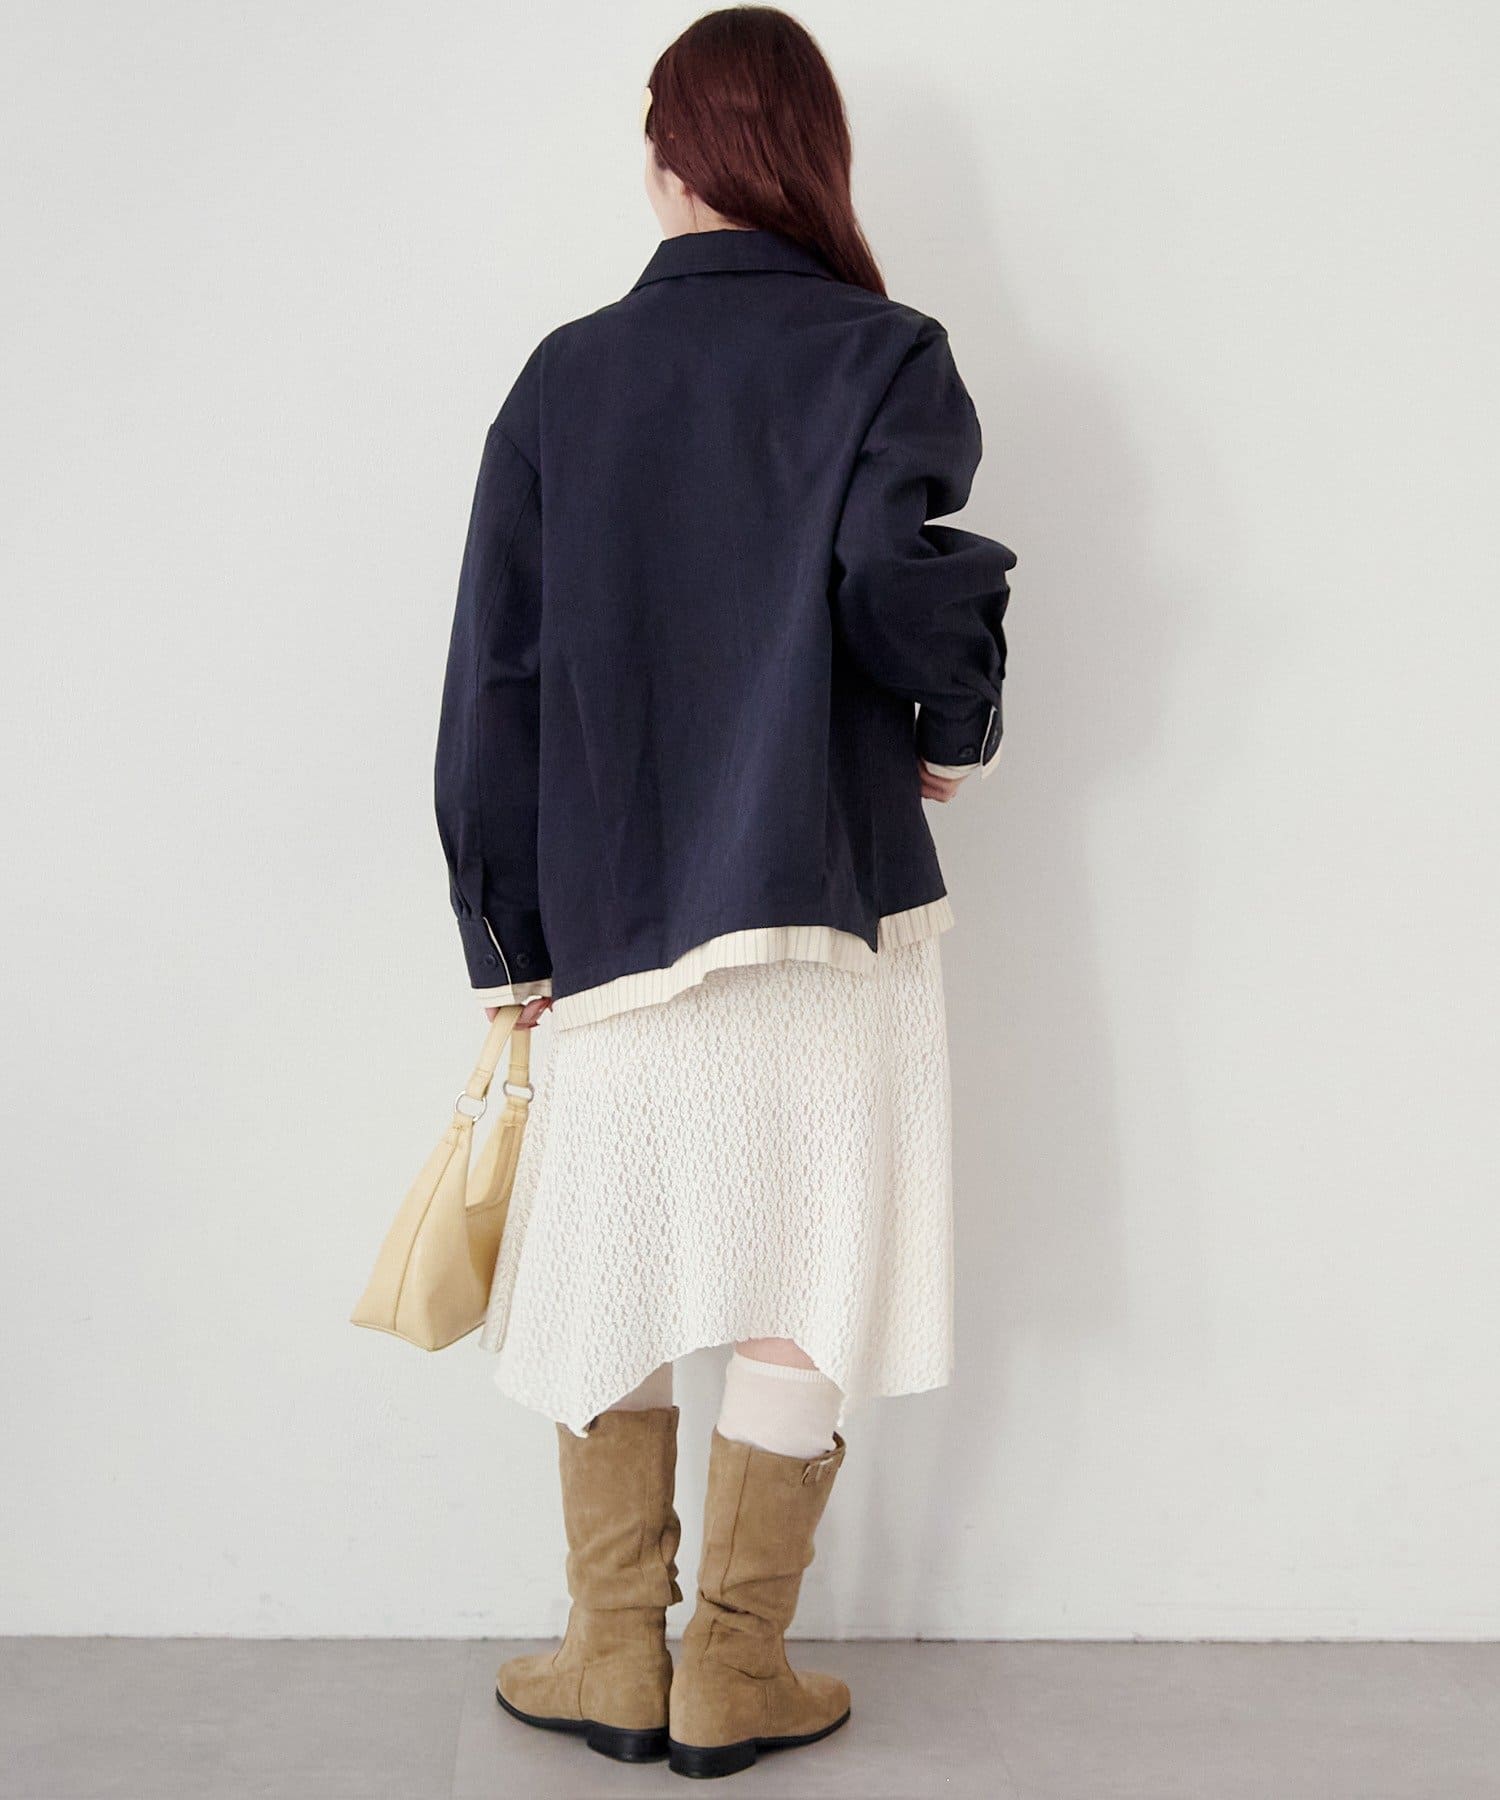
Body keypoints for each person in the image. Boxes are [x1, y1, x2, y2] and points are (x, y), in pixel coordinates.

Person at [434, 5, 1014, 1780]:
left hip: (610, 916)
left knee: (601, 1272)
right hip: (829, 897)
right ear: (807, 155)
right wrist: (952, 726)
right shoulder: (886, 354)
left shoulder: (564, 376)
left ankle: (615, 1654)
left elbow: (496, 677)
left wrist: (504, 934)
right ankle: (733, 1671)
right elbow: (898, 582)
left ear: (674, 155)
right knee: (809, 1269)